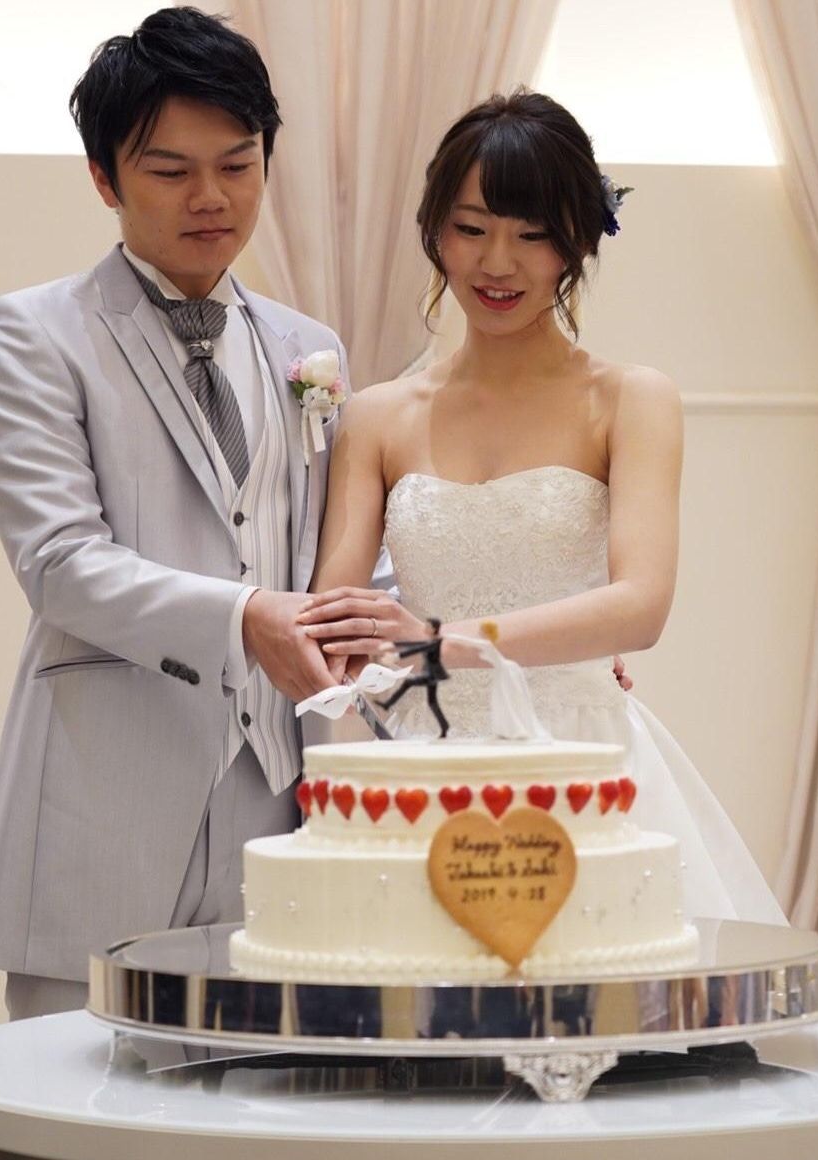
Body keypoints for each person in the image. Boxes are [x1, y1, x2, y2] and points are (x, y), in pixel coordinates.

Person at [299, 90, 785, 924]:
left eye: (532, 235)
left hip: (582, 760)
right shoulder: (376, 415)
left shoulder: (630, 399)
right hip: (423, 764)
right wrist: (371, 654)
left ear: (578, 242)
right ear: (434, 232)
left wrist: (442, 642)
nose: (498, 263)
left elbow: (641, 605)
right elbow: (335, 618)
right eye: (472, 228)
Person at [0, 7, 362, 1020]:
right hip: (102, 807)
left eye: (237, 164)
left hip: (283, 811)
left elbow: (336, 555)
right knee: (72, 1088)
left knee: (271, 1083)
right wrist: (243, 619)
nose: (211, 197)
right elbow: (59, 563)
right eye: (170, 169)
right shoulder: (31, 335)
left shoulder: (308, 347)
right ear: (105, 178)